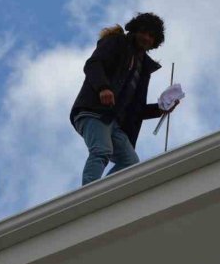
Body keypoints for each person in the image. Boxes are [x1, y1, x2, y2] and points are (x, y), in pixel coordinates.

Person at [70, 12, 178, 185]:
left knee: (130, 163)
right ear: (135, 30)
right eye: (144, 32)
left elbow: (136, 108)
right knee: (101, 151)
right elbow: (93, 65)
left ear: (155, 42)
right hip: (94, 111)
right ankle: (87, 197)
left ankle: (105, 194)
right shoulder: (117, 42)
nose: (146, 38)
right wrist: (103, 88)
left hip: (114, 122)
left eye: (151, 36)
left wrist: (160, 109)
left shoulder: (143, 67)